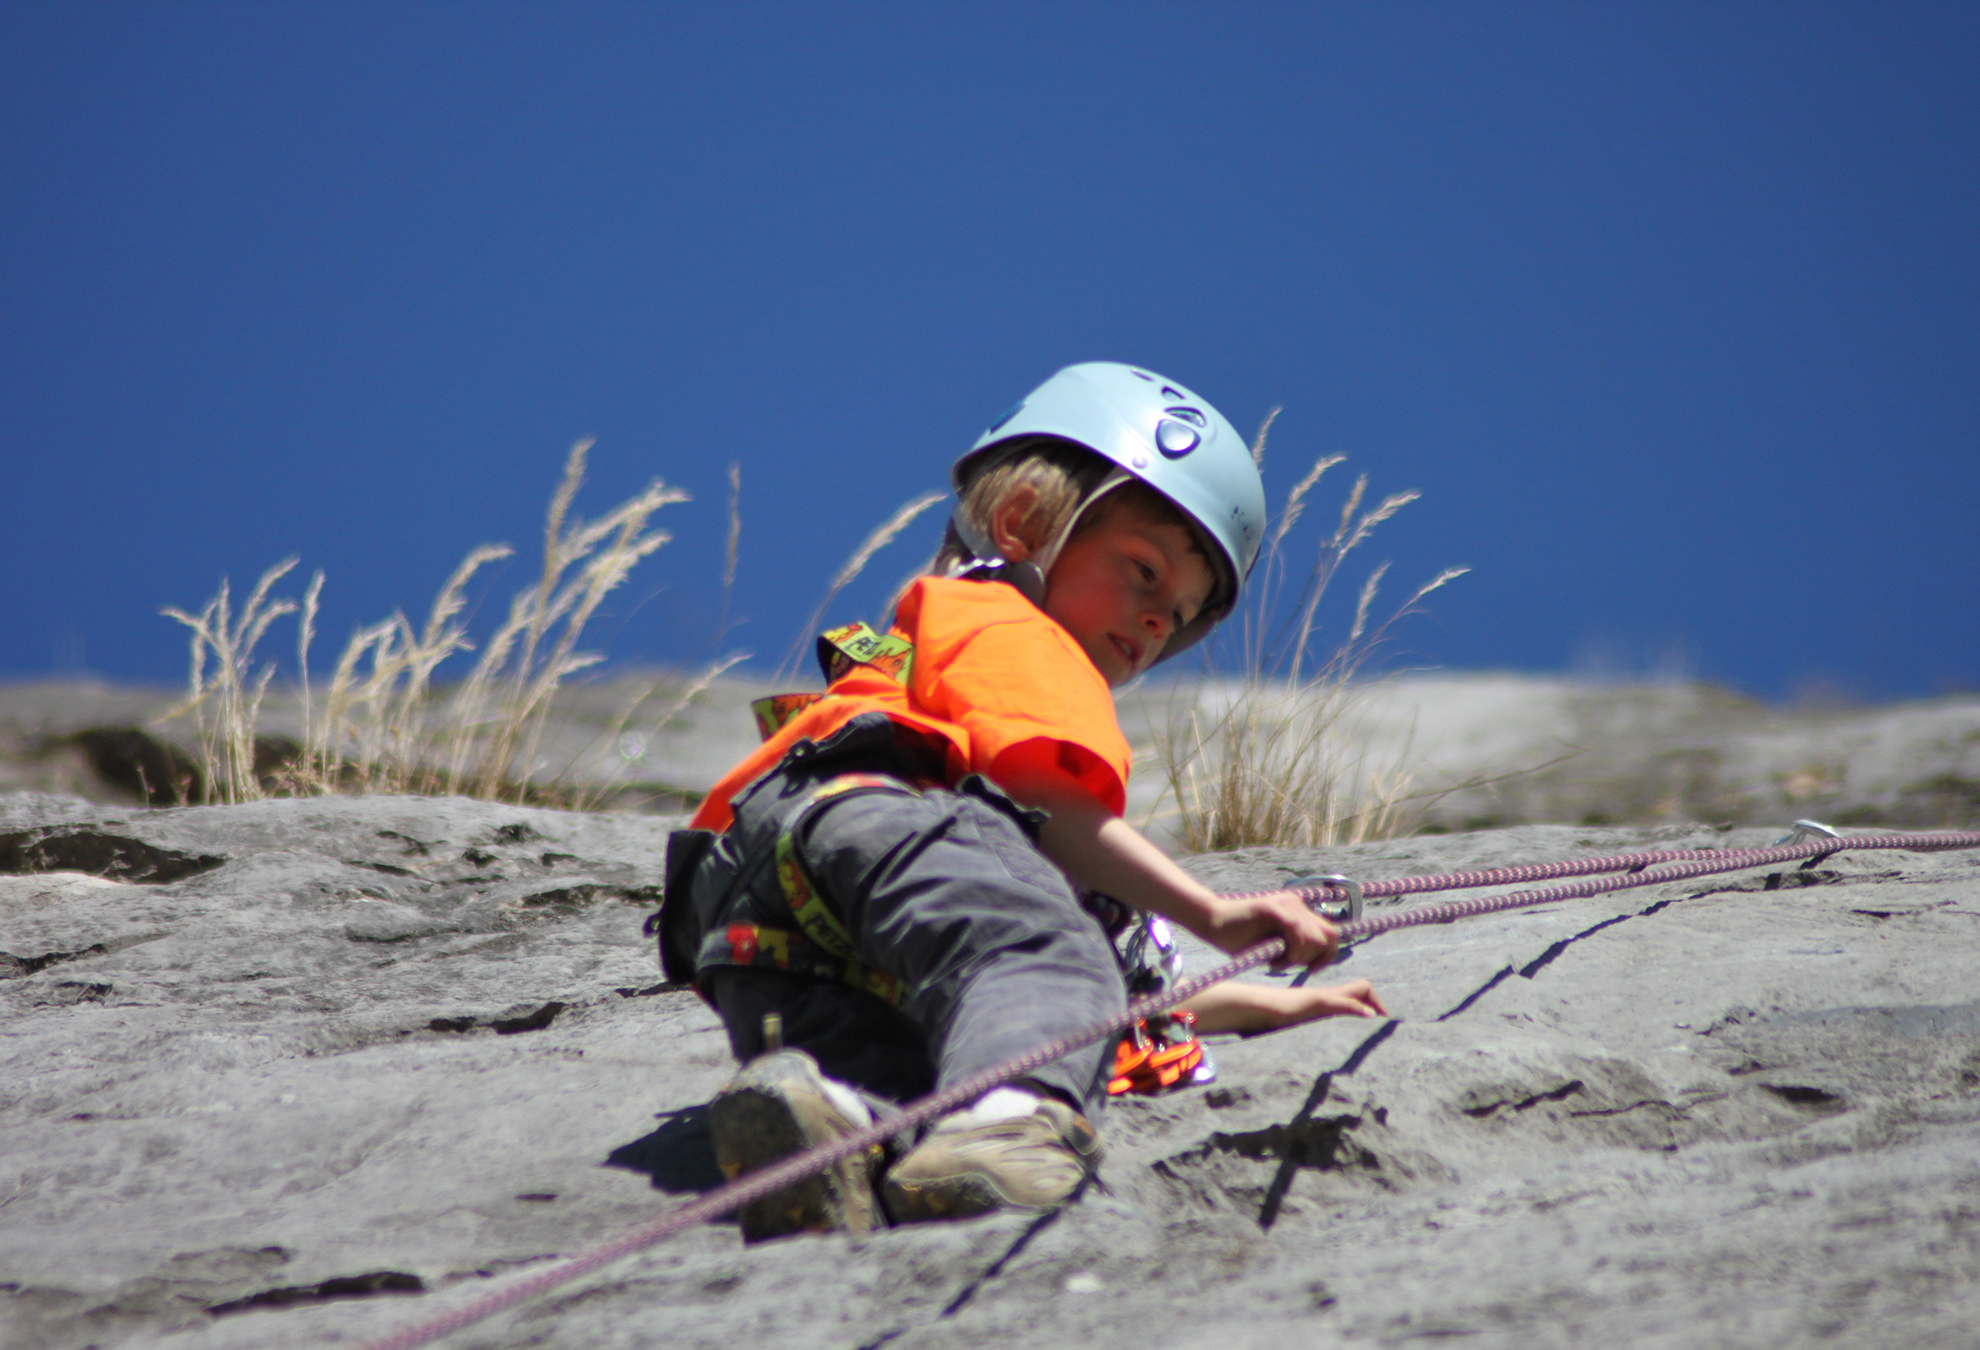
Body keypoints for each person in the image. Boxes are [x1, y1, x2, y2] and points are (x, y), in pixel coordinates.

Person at [654, 361, 1386, 1242]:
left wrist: (1273, 1003)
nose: (1159, 622)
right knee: (1047, 951)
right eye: (1145, 572)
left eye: (1181, 614)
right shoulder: (1014, 627)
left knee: (919, 1057)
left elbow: (1106, 993)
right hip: (881, 818)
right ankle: (1008, 1123)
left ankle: (822, 1125)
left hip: (758, 916)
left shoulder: (937, 644)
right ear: (1025, 523)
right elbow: (1044, 811)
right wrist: (1214, 913)